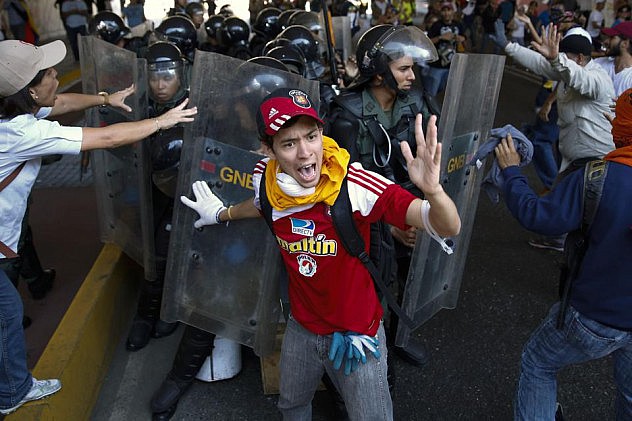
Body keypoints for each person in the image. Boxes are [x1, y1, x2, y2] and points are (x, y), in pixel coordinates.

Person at [178, 87, 461, 420]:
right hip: (302, 329)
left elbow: (447, 226)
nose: (305, 153)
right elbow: (260, 206)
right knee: (292, 406)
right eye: (288, 143)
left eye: (311, 136)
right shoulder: (266, 183)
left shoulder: (353, 184)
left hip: (358, 336)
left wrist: (434, 191)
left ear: (321, 132)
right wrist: (220, 213)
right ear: (267, 151)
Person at [0, 39, 196, 415]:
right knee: (7, 312)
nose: (58, 76)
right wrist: (161, 121)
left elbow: (60, 104)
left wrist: (105, 99)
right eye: (51, 74)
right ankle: (13, 392)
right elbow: (104, 138)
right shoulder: (21, 134)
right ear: (29, 90)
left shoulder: (14, 110)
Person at [493, 87, 632, 421]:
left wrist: (512, 172)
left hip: (594, 316)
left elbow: (538, 217)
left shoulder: (599, 177)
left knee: (538, 364)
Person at [326, 24, 440, 368]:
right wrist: (389, 225)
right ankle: (373, 357)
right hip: (367, 217)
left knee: (410, 277)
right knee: (372, 286)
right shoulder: (347, 114)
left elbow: (430, 157)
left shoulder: (416, 102)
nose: (412, 75)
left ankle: (397, 337)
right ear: (377, 75)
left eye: (412, 68)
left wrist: (420, 212)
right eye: (403, 69)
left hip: (409, 207)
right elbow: (340, 186)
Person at [492, 23, 615, 250]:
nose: (558, 60)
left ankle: (581, 251)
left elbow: (580, 79)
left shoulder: (598, 79)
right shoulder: (566, 69)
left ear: (579, 58)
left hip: (595, 162)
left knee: (568, 211)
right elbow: (540, 63)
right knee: (563, 204)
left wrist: (557, 59)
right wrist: (509, 46)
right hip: (574, 158)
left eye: (563, 56)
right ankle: (560, 240)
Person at [125, 41, 190, 353]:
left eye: (168, 76)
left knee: (168, 252)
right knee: (151, 254)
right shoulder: (138, 106)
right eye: (154, 77)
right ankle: (144, 316)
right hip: (148, 191)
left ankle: (167, 308)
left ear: (181, 75)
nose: (161, 84)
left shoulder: (194, 105)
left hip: (181, 192)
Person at [423, 1, 466, 96]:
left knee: (443, 88)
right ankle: (427, 110)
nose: (446, 13)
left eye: (449, 10)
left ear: (453, 12)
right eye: (444, 10)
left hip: (452, 65)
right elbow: (428, 42)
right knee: (431, 92)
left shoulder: (458, 25)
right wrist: (440, 37)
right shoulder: (436, 25)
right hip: (437, 66)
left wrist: (461, 39)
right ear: (441, 12)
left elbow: (464, 39)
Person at [595, 21, 632, 97]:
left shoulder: (630, 76)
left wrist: (624, 107)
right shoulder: (597, 64)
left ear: (625, 43)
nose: (606, 41)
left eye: (612, 37)